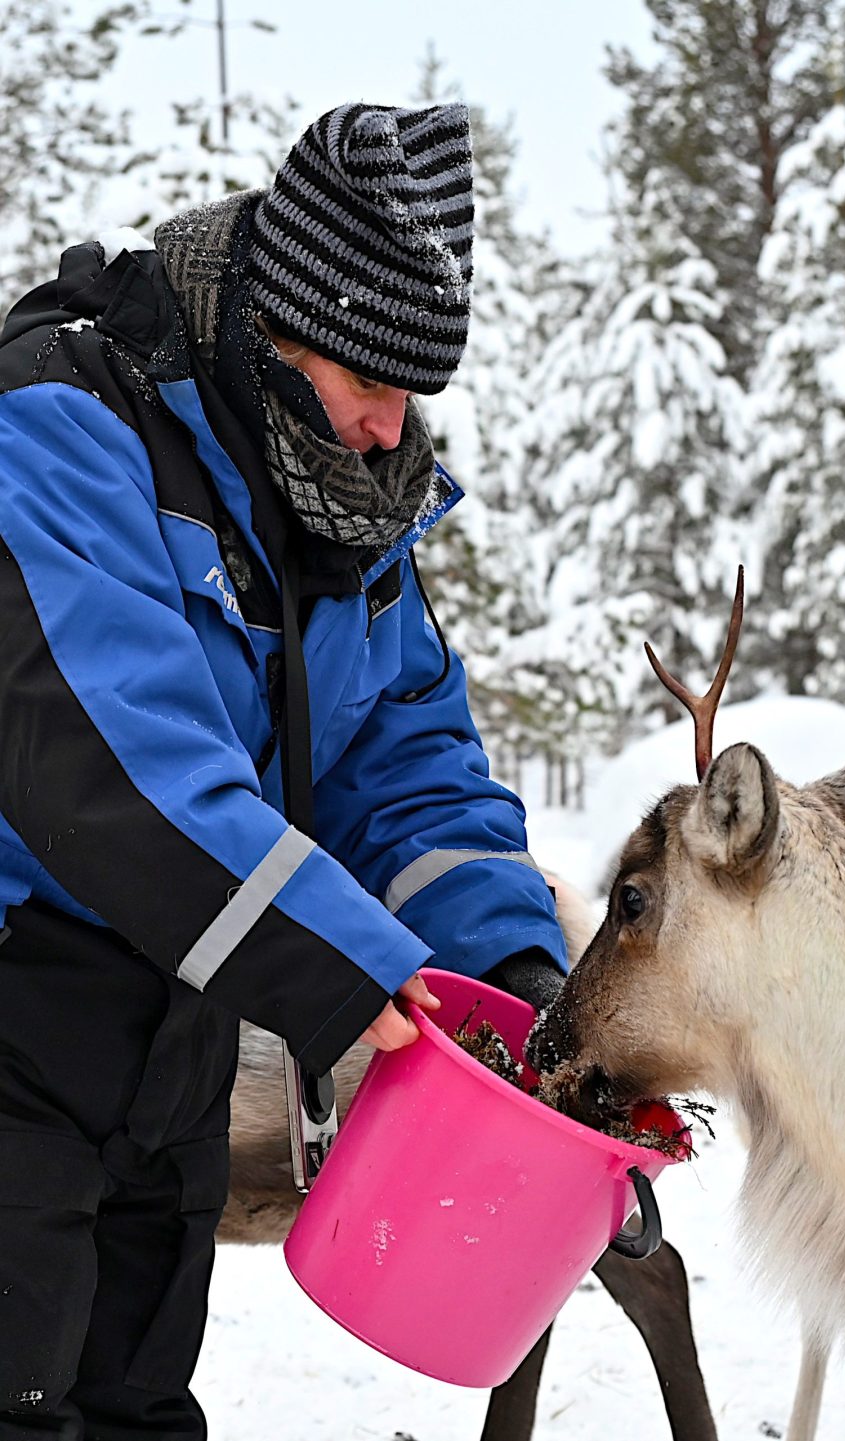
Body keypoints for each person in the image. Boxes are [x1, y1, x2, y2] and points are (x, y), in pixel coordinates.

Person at [0, 101, 567, 1439]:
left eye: (412, 388)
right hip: (21, 1007)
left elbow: (410, 759)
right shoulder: (63, 425)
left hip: (180, 1028)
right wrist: (344, 967)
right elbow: (116, 769)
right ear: (272, 332)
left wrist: (518, 973)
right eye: (368, 382)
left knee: (137, 1403)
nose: (392, 424)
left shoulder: (339, 495)